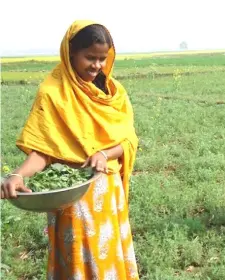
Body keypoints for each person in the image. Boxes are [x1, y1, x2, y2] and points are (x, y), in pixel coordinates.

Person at [1, 20, 139, 279]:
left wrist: (103, 154)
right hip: (70, 197)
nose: (96, 66)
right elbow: (44, 149)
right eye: (90, 57)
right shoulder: (53, 92)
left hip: (106, 192)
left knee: (106, 260)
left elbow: (128, 141)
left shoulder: (114, 92)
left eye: (102, 58)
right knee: (77, 259)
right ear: (70, 52)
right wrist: (18, 175)